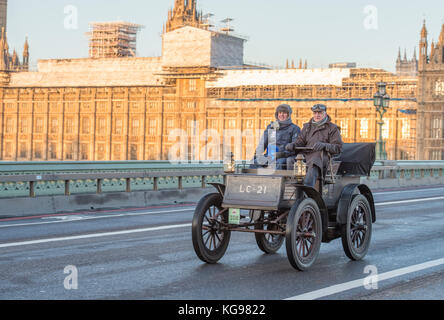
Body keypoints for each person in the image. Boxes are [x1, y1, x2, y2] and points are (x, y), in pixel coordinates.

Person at [286, 104, 343, 187]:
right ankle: (291, 186)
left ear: (325, 113)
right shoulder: (307, 127)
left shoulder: (332, 128)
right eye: (315, 113)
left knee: (314, 161)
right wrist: (293, 145)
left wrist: (324, 145)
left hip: (323, 157)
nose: (317, 115)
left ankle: (308, 188)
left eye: (320, 113)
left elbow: (338, 148)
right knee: (290, 160)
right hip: (306, 155)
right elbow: (301, 141)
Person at [252, 104, 301, 169]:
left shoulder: (294, 129)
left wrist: (282, 154)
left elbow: (294, 147)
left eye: (284, 113)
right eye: (280, 113)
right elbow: (263, 142)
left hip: (283, 157)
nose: (282, 115)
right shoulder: (271, 127)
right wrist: (257, 154)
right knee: (254, 163)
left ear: (288, 115)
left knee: (278, 165)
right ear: (277, 114)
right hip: (269, 156)